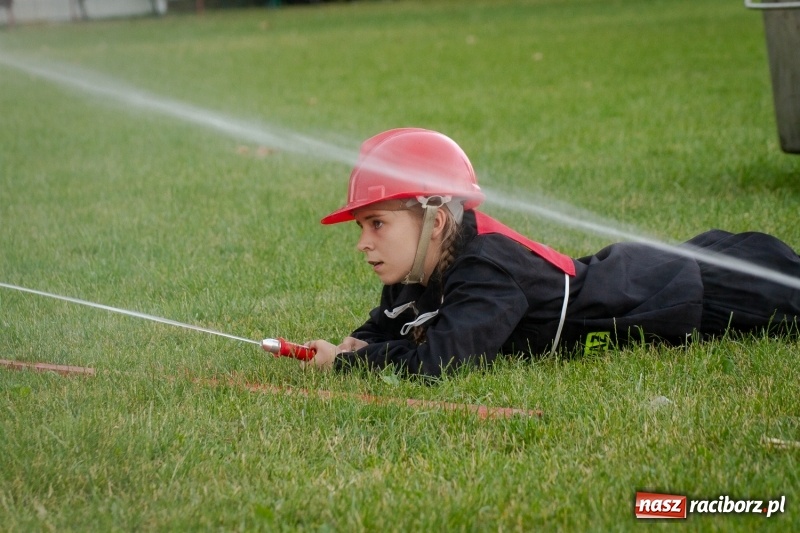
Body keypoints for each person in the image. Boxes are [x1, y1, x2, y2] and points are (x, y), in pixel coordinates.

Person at [305, 128, 800, 377]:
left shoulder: (487, 269)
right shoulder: (417, 264)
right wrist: (358, 340)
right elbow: (392, 320)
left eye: (376, 223)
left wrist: (351, 363)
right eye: (362, 225)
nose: (363, 240)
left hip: (691, 292)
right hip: (653, 272)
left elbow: (447, 360)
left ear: (435, 221)